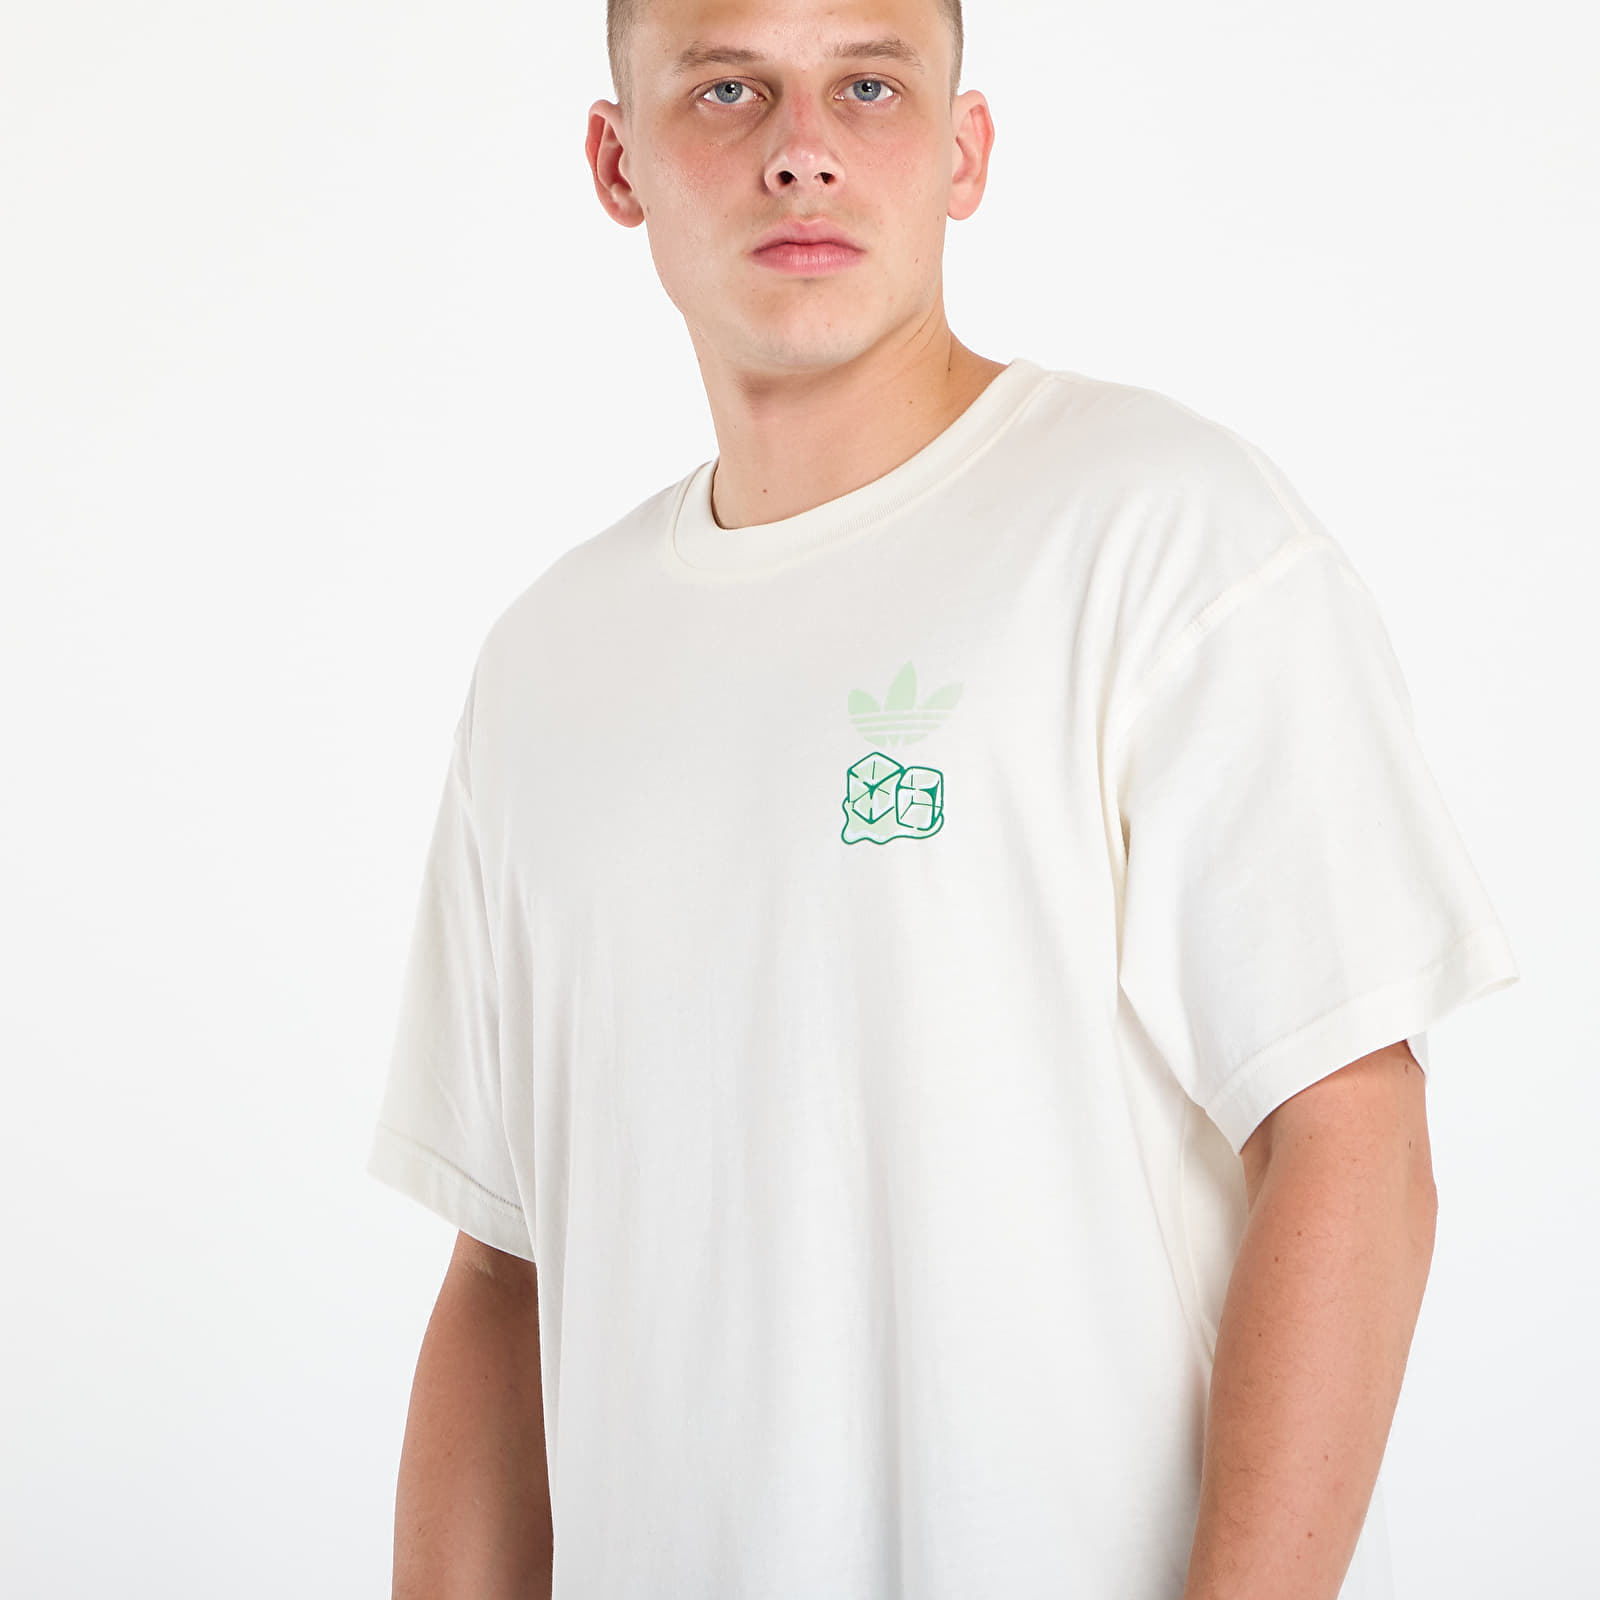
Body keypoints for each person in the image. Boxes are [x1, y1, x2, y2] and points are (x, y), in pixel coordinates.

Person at [364, 1, 1520, 1595]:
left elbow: (1352, 1140)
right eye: (727, 89)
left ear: (963, 151)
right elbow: (505, 1274)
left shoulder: (1163, 537)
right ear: (616, 163)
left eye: (868, 84)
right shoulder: (547, 668)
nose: (802, 151)